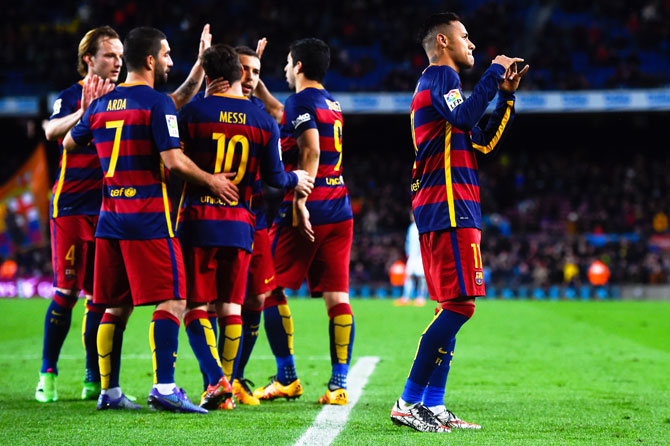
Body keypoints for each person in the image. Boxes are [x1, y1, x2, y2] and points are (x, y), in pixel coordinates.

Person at [64, 26, 235, 413]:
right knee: (174, 298)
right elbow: (173, 161)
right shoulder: (157, 103)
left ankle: (109, 392)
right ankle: (165, 387)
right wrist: (213, 180)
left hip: (110, 218)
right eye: (168, 54)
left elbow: (70, 142)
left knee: (114, 306)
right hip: (149, 219)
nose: (170, 61)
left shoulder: (101, 104)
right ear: (150, 59)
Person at [390, 12, 528, 432]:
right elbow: (467, 118)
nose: (472, 43)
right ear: (443, 42)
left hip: (453, 206)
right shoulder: (439, 79)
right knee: (460, 305)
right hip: (447, 207)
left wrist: (504, 96)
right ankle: (409, 401)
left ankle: (432, 403)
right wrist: (493, 71)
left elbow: (480, 140)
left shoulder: (444, 90)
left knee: (452, 303)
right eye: (465, 36)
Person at [176, 43, 313, 410]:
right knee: (231, 308)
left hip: (198, 220)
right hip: (241, 225)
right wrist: (295, 179)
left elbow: (175, 164)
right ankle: (226, 388)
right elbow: (274, 178)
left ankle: (215, 381)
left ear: (210, 77)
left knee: (195, 306)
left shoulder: (192, 113)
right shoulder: (263, 121)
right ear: (240, 74)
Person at [253, 38, 355, 406]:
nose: (284, 69)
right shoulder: (330, 102)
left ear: (297, 66)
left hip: (309, 210)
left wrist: (300, 199)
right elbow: (285, 111)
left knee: (269, 289)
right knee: (337, 297)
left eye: (286, 62)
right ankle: (338, 385)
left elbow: (310, 148)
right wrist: (258, 83)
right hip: (340, 207)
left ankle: (287, 378)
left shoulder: (302, 101)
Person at [37, 26, 122, 404]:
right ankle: (47, 374)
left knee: (99, 297)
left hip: (107, 208)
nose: (118, 62)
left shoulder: (124, 99)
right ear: (89, 59)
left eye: (121, 56)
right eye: (110, 55)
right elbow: (51, 130)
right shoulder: (71, 96)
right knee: (67, 291)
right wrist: (84, 114)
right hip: (71, 206)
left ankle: (93, 375)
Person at [394, 215, 427, 306]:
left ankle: (421, 298)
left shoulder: (423, 226)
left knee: (422, 278)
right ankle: (406, 297)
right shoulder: (411, 227)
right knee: (408, 276)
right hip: (411, 257)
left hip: (420, 256)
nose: (412, 217)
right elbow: (408, 242)